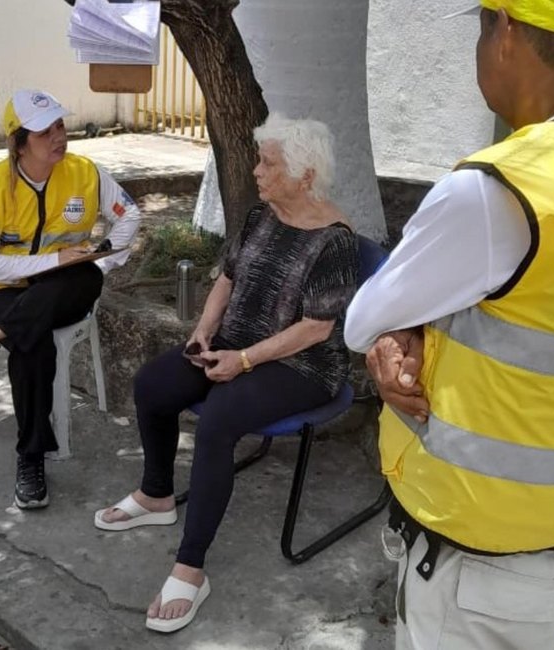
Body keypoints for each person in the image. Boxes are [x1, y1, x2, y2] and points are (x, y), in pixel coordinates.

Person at [345, 2, 554, 648]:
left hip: (485, 586)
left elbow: (363, 319)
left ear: (505, 32)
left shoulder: (497, 191)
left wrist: (401, 333)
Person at [96, 115, 359, 633]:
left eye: (269, 162)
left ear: (305, 176)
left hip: (302, 365)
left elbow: (314, 330)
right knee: (153, 385)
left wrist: (243, 361)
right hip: (235, 345)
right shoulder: (261, 215)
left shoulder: (336, 241)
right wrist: (204, 332)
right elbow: (227, 278)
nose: (256, 171)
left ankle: (191, 568)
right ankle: (156, 494)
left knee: (217, 421)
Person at [0, 89, 141, 510]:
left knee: (85, 274)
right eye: (44, 131)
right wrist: (50, 261)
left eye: (60, 126)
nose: (58, 137)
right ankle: (31, 459)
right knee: (35, 347)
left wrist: (102, 258)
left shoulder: (85, 172)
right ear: (18, 142)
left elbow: (130, 215)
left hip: (63, 286)